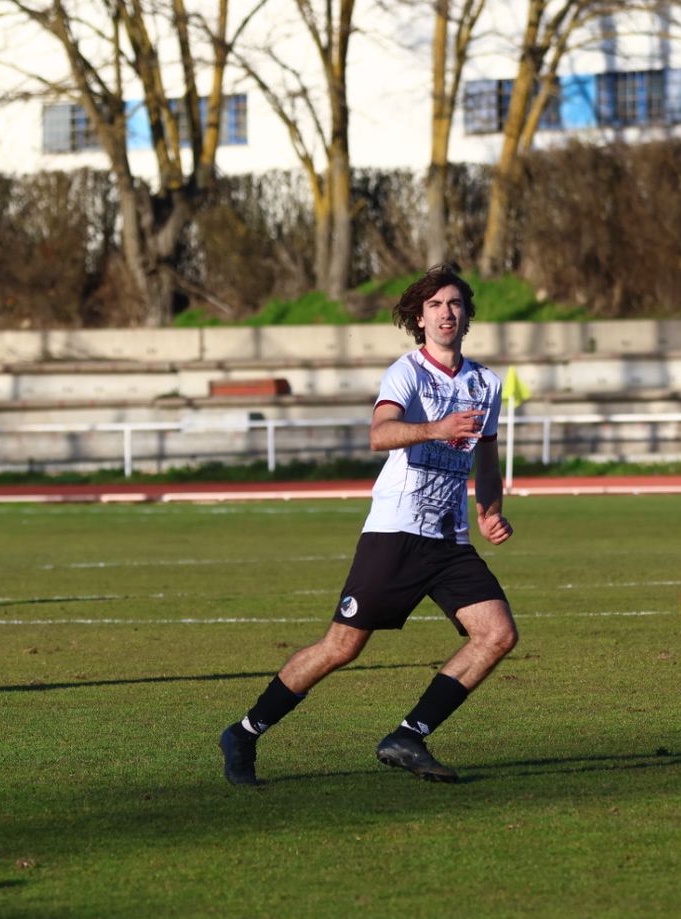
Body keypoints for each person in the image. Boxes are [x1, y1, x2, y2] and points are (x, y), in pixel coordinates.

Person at [219, 264, 517, 785]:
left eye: (455, 304)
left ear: (468, 315)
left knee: (496, 634)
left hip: (449, 537)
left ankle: (408, 735)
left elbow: (486, 462)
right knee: (341, 647)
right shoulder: (406, 372)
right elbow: (378, 436)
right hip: (396, 532)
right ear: (419, 319)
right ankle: (244, 732)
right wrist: (436, 428)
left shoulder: (486, 383)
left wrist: (490, 511)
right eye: (435, 306)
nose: (446, 313)